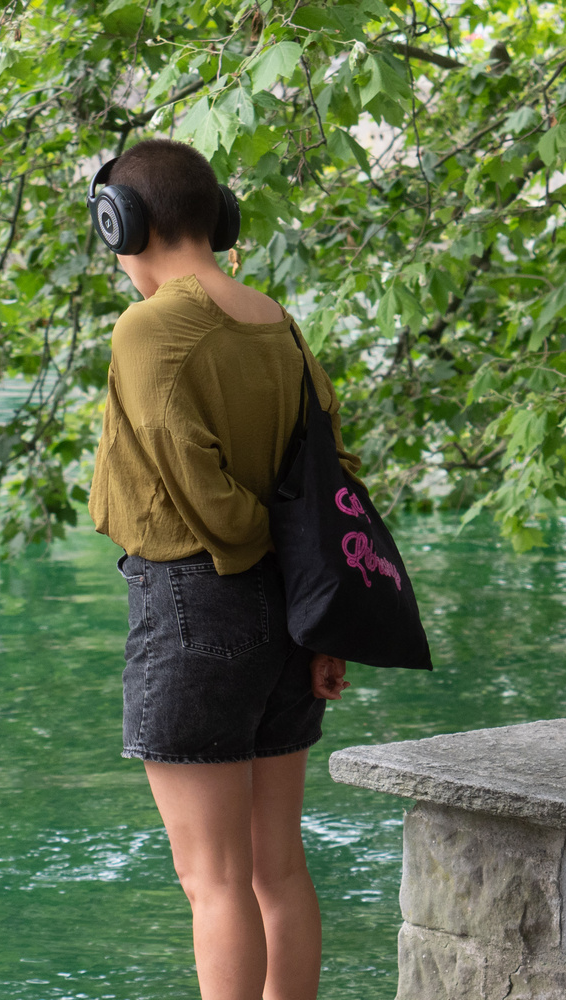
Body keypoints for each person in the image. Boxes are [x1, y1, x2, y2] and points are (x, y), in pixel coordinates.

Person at [87, 138, 360, 1000]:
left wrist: (250, 557)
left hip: (195, 605)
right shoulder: (276, 321)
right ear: (219, 216)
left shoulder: (151, 328)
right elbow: (330, 477)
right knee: (278, 870)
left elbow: (196, 490)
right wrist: (314, 610)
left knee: (212, 881)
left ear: (121, 223)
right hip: (289, 610)